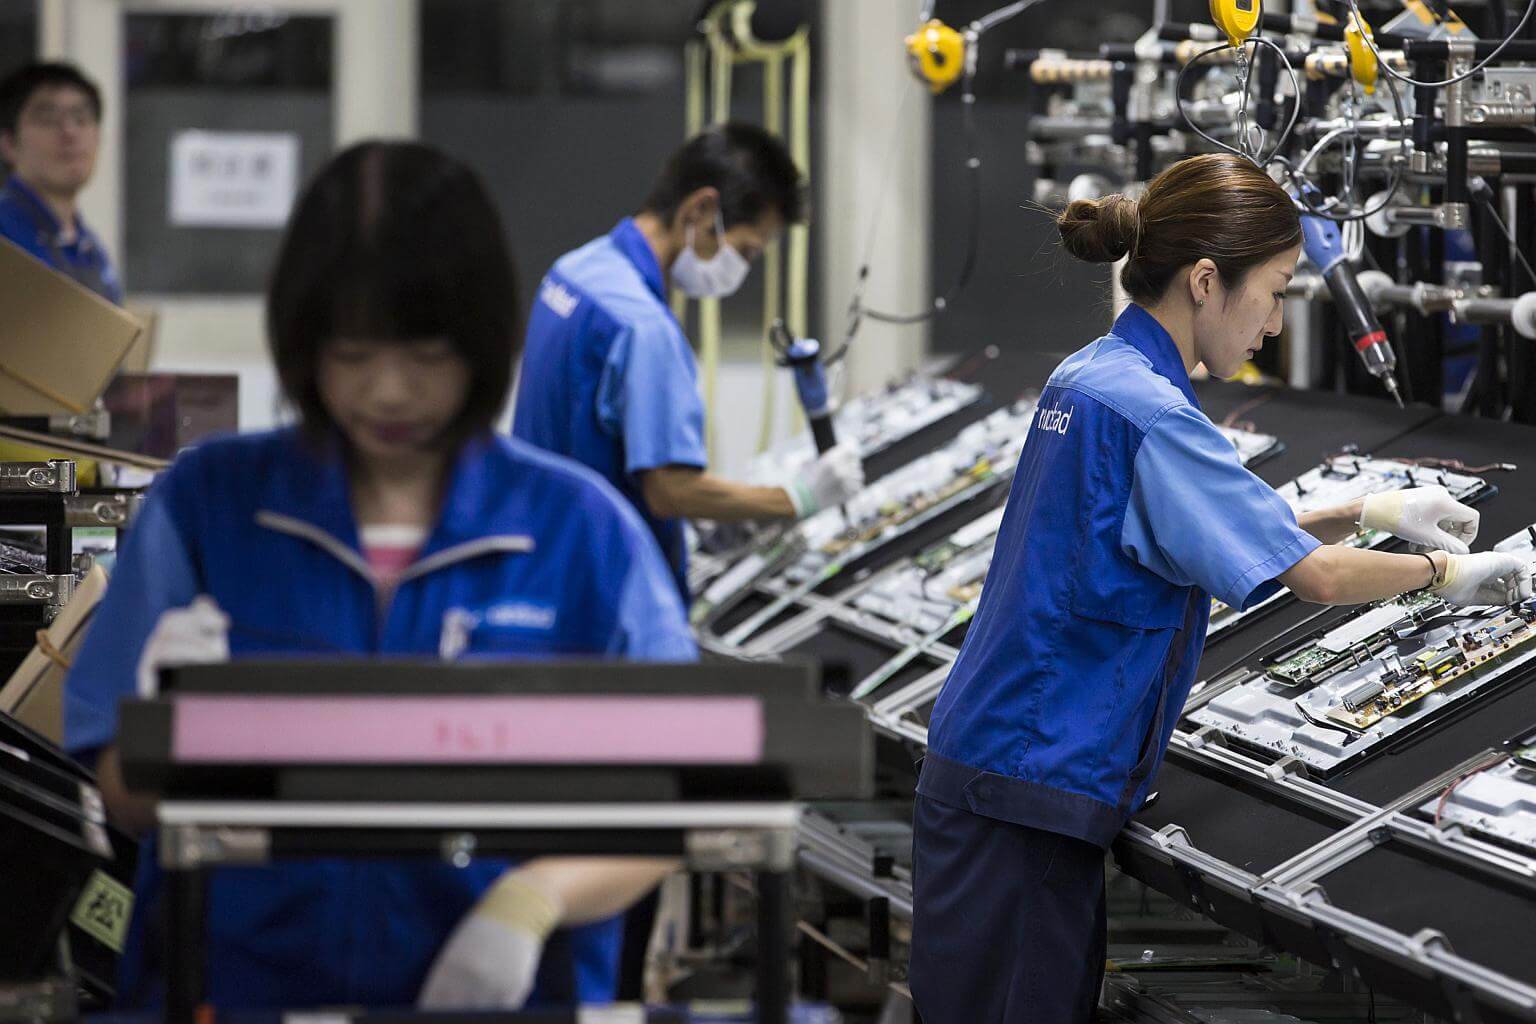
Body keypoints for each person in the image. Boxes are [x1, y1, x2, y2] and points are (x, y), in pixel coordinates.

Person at [63, 141, 695, 1010]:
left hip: (494, 1003)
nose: (389, 392)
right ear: (304, 344)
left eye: (426, 355)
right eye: (354, 354)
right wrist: (171, 744)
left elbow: (673, 794)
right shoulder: (209, 509)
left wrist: (531, 900)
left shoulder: (581, 532)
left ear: (481, 345)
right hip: (237, 993)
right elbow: (120, 792)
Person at [907, 153, 1534, 1024]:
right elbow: (1315, 579)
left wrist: (1367, 509)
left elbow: (1191, 528)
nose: (1275, 324)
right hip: (1030, 786)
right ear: (1206, 281)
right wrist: (1450, 574)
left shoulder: (1093, 377)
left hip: (1000, 765)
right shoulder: (1156, 414)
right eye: (1274, 292)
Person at [513, 122, 863, 601]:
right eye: (745, 251)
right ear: (700, 210)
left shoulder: (573, 273)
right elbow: (671, 490)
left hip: (539, 562)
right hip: (599, 594)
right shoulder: (643, 328)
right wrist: (797, 497)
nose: (742, 269)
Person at [0, 62, 122, 303]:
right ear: (9, 143)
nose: (70, 132)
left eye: (82, 119)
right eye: (48, 120)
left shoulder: (90, 249)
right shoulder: (5, 237)